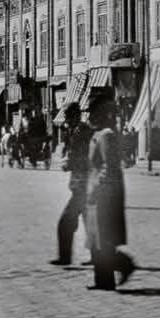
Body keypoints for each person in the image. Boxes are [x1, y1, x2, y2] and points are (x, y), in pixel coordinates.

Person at [83, 95, 136, 290]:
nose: (90, 117)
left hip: (103, 194)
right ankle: (103, 281)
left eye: (93, 114)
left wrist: (97, 188)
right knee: (96, 238)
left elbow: (109, 166)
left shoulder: (106, 136)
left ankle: (124, 265)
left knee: (102, 238)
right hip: (95, 192)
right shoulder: (98, 134)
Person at [51, 102, 93, 266]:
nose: (66, 119)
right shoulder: (78, 131)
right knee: (90, 223)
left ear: (75, 116)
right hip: (83, 184)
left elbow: (82, 157)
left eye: (68, 116)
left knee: (66, 222)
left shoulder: (80, 132)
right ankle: (98, 257)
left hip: (83, 184)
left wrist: (69, 164)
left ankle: (65, 257)